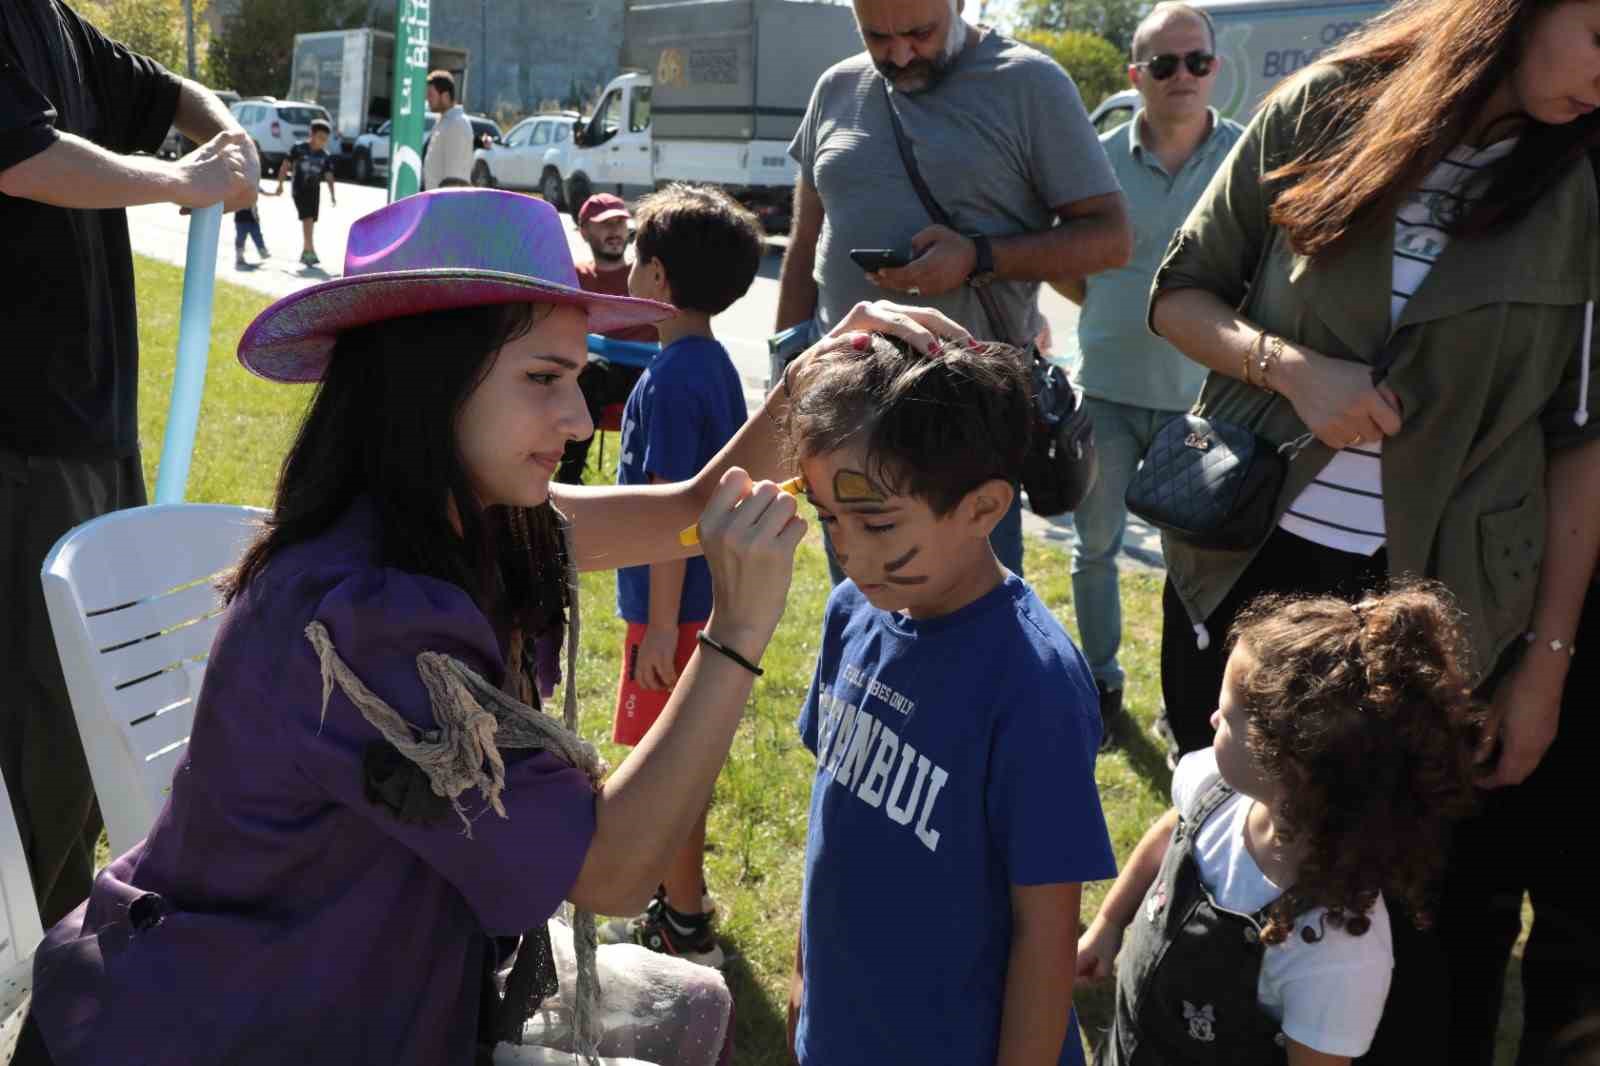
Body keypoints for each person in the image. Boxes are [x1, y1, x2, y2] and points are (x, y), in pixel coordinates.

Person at [16, 187, 966, 1065]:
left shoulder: (456, 513)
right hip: (237, 1025)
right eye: (544, 379)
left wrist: (806, 380)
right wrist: (734, 634)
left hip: (355, 972)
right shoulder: (366, 617)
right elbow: (609, 873)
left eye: (578, 378)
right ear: (429, 382)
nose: (578, 418)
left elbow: (682, 508)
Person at [1144, 1, 1600, 1060]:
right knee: (1236, 852)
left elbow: (1578, 443)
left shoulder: (1578, 186)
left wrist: (1544, 664)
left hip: (1439, 615)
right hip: (1252, 574)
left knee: (1423, 920)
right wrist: (1289, 369)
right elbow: (1179, 297)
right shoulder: (1322, 108)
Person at [784, 333, 1116, 1066]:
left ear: (984, 507)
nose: (849, 552)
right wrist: (806, 977)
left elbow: (1047, 929)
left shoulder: (1033, 681)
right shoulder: (851, 613)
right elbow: (829, 829)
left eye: (876, 523)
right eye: (830, 519)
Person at [0, 0, 256, 930]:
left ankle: (58, 947)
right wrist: (180, 179)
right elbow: (26, 159)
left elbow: (169, 91)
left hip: (92, 433)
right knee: (40, 720)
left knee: (88, 711)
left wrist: (228, 139)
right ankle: (21, 941)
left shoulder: (52, 21)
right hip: (21, 437)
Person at [776, 0, 1133, 582]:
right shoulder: (836, 88)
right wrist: (787, 370)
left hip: (968, 424)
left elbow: (1111, 239)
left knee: (969, 630)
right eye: (876, 36)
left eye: (920, 32)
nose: (899, 53)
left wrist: (979, 257)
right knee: (862, 608)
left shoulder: (1029, 83)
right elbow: (805, 242)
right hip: (846, 416)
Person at [1076, 583, 1482, 1065]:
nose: (1210, 719)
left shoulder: (1336, 953)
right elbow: (1172, 832)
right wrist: (1108, 922)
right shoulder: (1215, 788)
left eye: (1228, 716)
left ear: (1289, 762)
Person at [1050, 3, 1243, 751]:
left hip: (1204, 401)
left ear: (1214, 69)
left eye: (1196, 61)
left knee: (1191, 564)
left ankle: (1187, 700)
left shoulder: (1244, 157)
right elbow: (1073, 266)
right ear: (1136, 75)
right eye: (1164, 64)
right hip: (1104, 394)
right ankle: (1101, 685)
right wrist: (1110, 309)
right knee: (1093, 547)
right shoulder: (1094, 160)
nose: (1182, 76)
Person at [599, 185, 765, 966]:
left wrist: (661, 625)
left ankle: (683, 918)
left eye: (635, 255)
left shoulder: (669, 384)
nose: (627, 266)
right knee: (678, 762)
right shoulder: (711, 365)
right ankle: (677, 900)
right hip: (701, 608)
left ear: (657, 277)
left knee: (660, 768)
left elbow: (675, 523)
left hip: (674, 615)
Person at [557, 192, 659, 485]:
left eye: (620, 222)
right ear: (585, 230)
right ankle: (568, 480)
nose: (615, 230)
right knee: (591, 370)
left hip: (646, 374)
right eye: (605, 224)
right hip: (594, 375)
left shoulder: (646, 275)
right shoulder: (572, 277)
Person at [275, 117, 336, 267]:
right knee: (307, 219)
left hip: (314, 191)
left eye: (325, 139)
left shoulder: (324, 156)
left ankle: (306, 251)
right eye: (320, 137)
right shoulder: (298, 148)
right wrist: (280, 184)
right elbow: (285, 166)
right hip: (299, 190)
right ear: (312, 134)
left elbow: (328, 176)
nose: (323, 141)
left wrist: (333, 194)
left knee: (310, 221)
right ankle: (310, 250)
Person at [423, 69, 473, 190]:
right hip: (435, 200)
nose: (427, 99)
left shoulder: (457, 124)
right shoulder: (444, 121)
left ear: (445, 96)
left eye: (431, 94)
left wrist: (445, 205)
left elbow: (454, 177)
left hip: (445, 203)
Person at [234, 155, 278, 268]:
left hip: (253, 216)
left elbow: (263, 192)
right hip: (241, 217)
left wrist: (274, 194)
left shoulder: (254, 184)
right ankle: (239, 256)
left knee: (257, 234)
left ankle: (262, 250)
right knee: (241, 237)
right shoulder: (238, 184)